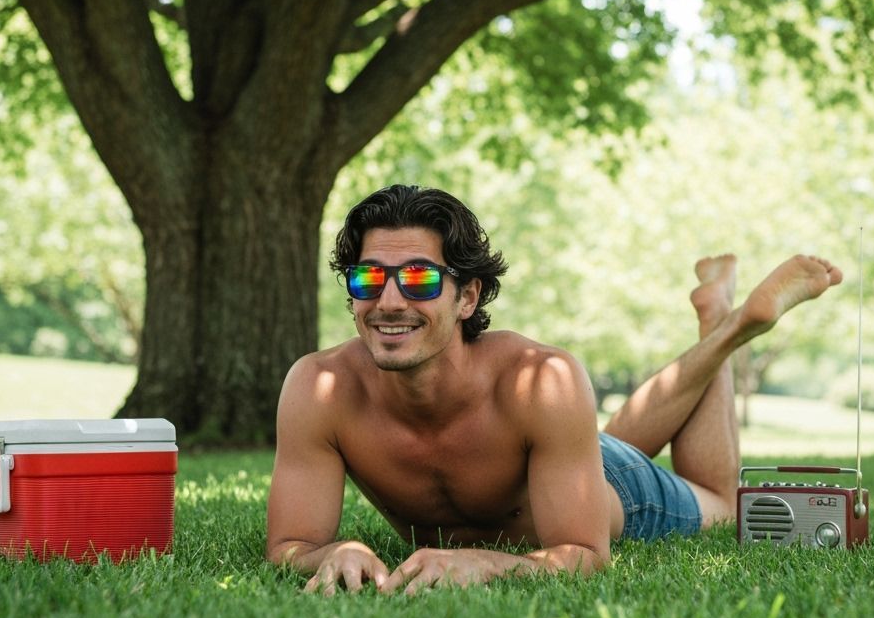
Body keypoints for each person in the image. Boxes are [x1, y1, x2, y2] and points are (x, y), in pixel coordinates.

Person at [266, 184, 843, 594]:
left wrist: (485, 564)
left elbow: (586, 555)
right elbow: (291, 542)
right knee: (605, 442)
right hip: (564, 455)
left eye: (418, 278)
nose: (389, 301)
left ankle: (727, 328)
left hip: (609, 486)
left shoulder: (541, 379)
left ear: (467, 297)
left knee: (721, 503)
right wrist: (336, 551)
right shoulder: (319, 387)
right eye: (369, 278)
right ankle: (715, 312)